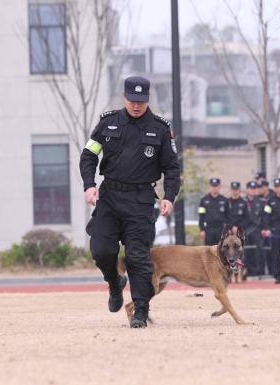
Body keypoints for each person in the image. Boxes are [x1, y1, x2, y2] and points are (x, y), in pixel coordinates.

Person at [79, 76, 180, 328]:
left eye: (141, 101)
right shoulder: (107, 122)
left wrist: (169, 196)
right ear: (124, 97)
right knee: (102, 251)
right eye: (132, 100)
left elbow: (172, 167)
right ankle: (114, 282)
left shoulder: (160, 128)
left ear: (148, 100)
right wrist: (89, 185)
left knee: (138, 257)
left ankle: (140, 311)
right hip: (110, 197)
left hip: (140, 200)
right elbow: (89, 155)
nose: (136, 106)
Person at [244, 181, 266, 277]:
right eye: (251, 189)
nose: (253, 191)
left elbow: (265, 217)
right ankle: (248, 271)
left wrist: (265, 228)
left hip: (257, 230)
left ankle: (258, 271)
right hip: (245, 230)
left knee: (258, 251)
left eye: (254, 189)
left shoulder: (261, 202)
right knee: (246, 251)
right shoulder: (242, 202)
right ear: (247, 190)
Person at [198, 178, 229, 245]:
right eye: (213, 186)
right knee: (208, 251)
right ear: (210, 187)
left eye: (216, 186)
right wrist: (202, 230)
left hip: (221, 229)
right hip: (209, 229)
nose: (214, 188)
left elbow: (228, 216)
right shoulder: (203, 200)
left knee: (221, 250)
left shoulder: (225, 200)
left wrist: (227, 229)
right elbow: (201, 216)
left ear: (219, 187)